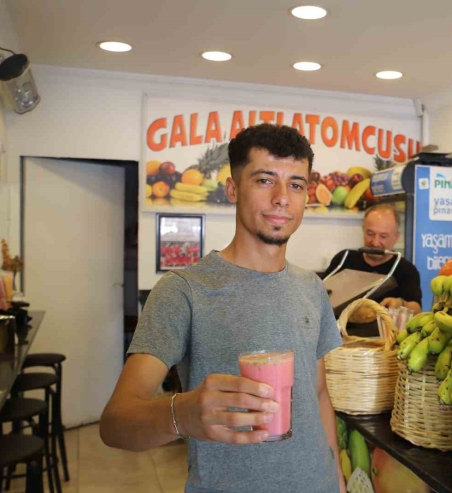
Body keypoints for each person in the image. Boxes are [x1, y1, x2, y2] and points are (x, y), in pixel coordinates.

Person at [100, 124, 345, 493]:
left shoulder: (311, 286)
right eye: (265, 180)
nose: (282, 198)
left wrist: (338, 482)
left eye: (296, 184)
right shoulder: (183, 291)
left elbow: (319, 395)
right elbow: (115, 424)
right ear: (232, 189)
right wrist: (181, 414)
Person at [323, 204, 422, 314]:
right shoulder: (344, 259)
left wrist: (400, 303)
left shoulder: (406, 269)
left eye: (383, 236)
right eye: (370, 234)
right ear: (363, 230)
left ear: (396, 237)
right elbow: (321, 293)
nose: (375, 242)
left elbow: (416, 308)